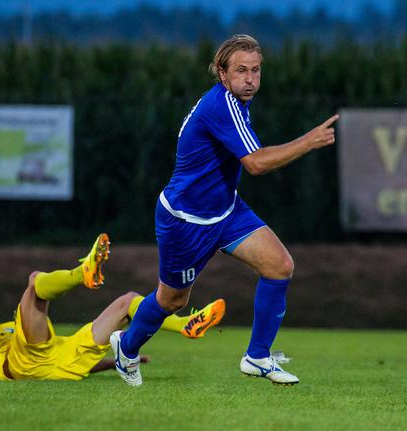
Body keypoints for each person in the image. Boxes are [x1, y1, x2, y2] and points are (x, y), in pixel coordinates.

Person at [110, 34, 338, 386]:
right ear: (222, 73)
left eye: (256, 71)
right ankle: (126, 348)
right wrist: (310, 140)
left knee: (280, 266)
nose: (250, 79)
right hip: (185, 222)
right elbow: (256, 164)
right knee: (172, 301)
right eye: (241, 70)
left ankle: (258, 356)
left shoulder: (237, 103)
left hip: (226, 210)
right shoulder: (222, 104)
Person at [0, 234, 225, 381]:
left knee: (127, 301)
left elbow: (61, 357)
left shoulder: (9, 329)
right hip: (22, 367)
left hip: (62, 359)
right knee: (33, 283)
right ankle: (82, 272)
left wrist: (110, 364)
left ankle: (184, 325)